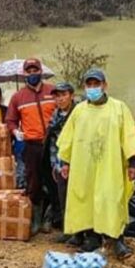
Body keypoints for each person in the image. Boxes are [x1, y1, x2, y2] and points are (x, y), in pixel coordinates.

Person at [57, 69, 135, 257]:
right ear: (84, 87)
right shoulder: (79, 110)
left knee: (112, 198)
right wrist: (65, 162)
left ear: (105, 85)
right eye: (89, 85)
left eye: (97, 84)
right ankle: (92, 238)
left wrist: (132, 162)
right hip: (84, 165)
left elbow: (129, 135)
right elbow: (67, 138)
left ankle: (117, 240)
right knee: (86, 199)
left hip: (111, 164)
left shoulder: (119, 108)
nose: (93, 88)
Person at [6, 59, 57, 235]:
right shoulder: (18, 97)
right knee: (33, 182)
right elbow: (10, 120)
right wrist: (15, 131)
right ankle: (36, 218)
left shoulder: (53, 91)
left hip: (53, 143)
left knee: (54, 180)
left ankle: (50, 217)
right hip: (31, 144)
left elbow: (66, 110)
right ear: (24, 74)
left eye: (35, 70)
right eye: (29, 71)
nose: (32, 73)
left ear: (41, 71)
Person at [45, 82, 75, 242]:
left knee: (78, 198)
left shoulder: (78, 112)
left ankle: (82, 233)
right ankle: (68, 230)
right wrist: (55, 165)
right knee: (63, 197)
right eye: (57, 96)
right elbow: (53, 143)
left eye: (64, 95)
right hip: (59, 163)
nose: (61, 99)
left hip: (77, 163)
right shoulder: (55, 115)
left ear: (71, 95)